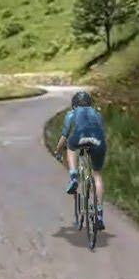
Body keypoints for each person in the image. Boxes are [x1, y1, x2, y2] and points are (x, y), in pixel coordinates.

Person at [53, 90, 107, 230]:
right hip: (98, 141)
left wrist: (58, 150)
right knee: (97, 175)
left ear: (74, 104)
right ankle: (99, 214)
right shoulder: (97, 114)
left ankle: (73, 176)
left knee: (71, 147)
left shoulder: (72, 114)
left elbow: (64, 136)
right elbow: (102, 131)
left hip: (80, 137)